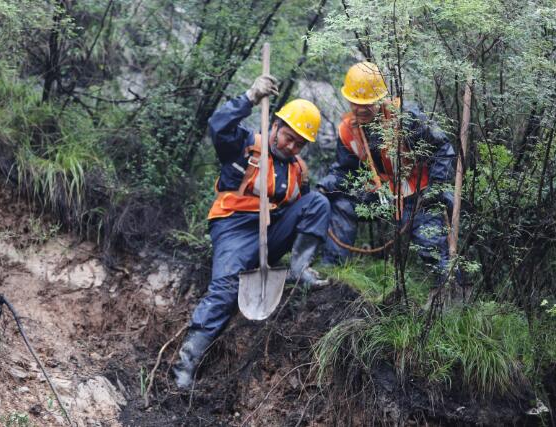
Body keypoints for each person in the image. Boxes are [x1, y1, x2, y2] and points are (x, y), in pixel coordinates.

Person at [173, 75, 331, 389]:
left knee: (318, 202)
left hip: (271, 231)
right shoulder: (245, 144)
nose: (292, 146)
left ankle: (298, 270)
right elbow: (217, 125)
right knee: (225, 290)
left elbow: (307, 211)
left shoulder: (297, 168)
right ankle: (186, 365)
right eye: (288, 137)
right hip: (234, 227)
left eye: (300, 143)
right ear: (274, 125)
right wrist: (249, 97)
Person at [319, 62, 458, 287]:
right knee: (342, 204)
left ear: (381, 99)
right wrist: (327, 186)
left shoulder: (406, 118)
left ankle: (449, 293)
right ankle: (332, 275)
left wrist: (435, 190)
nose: (360, 110)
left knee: (431, 244)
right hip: (381, 198)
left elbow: (443, 149)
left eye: (367, 105)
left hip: (419, 196)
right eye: (355, 104)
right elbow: (345, 170)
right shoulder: (347, 130)